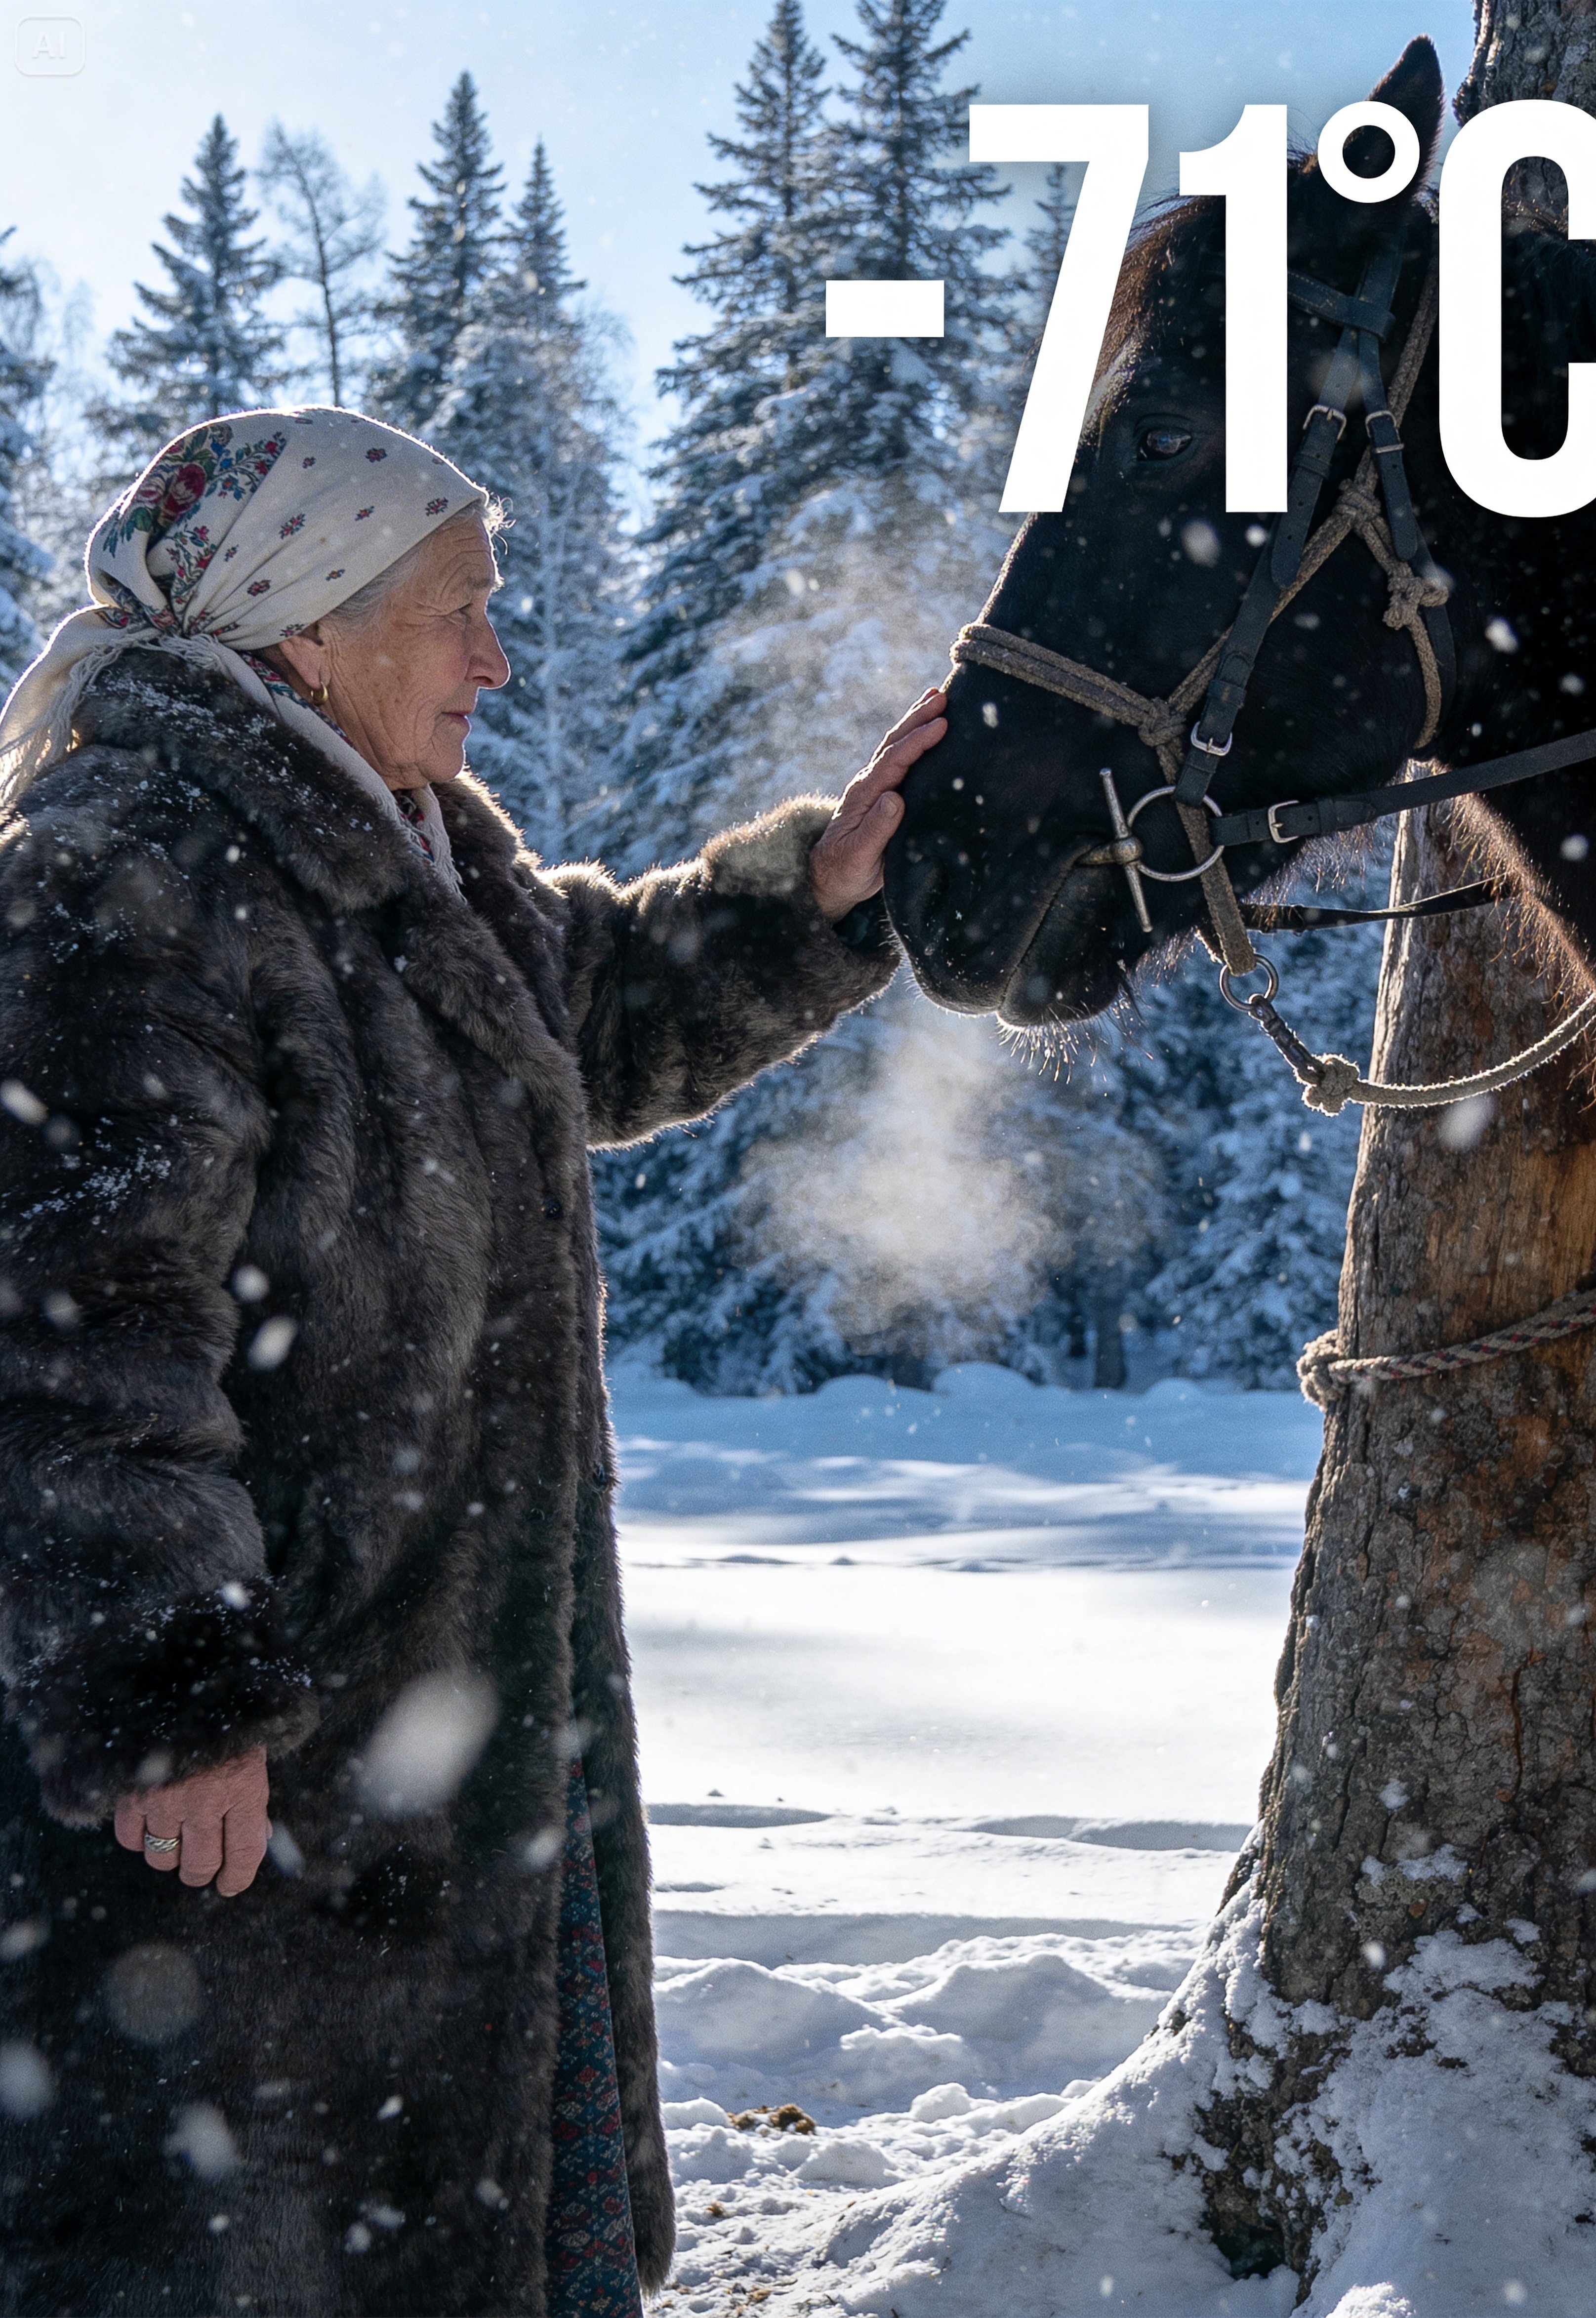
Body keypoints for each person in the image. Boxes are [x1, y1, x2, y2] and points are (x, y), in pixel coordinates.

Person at [0, 406, 944, 2317]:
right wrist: (170, 1692)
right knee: (226, 2236)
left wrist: (816, 894)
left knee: (428, 2214)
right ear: (307, 633)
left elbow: (575, 1021)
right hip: (261, 1761)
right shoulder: (121, 877)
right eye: (460, 613)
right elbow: (72, 1336)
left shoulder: (406, 850)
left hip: (432, 1732)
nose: (496, 661)